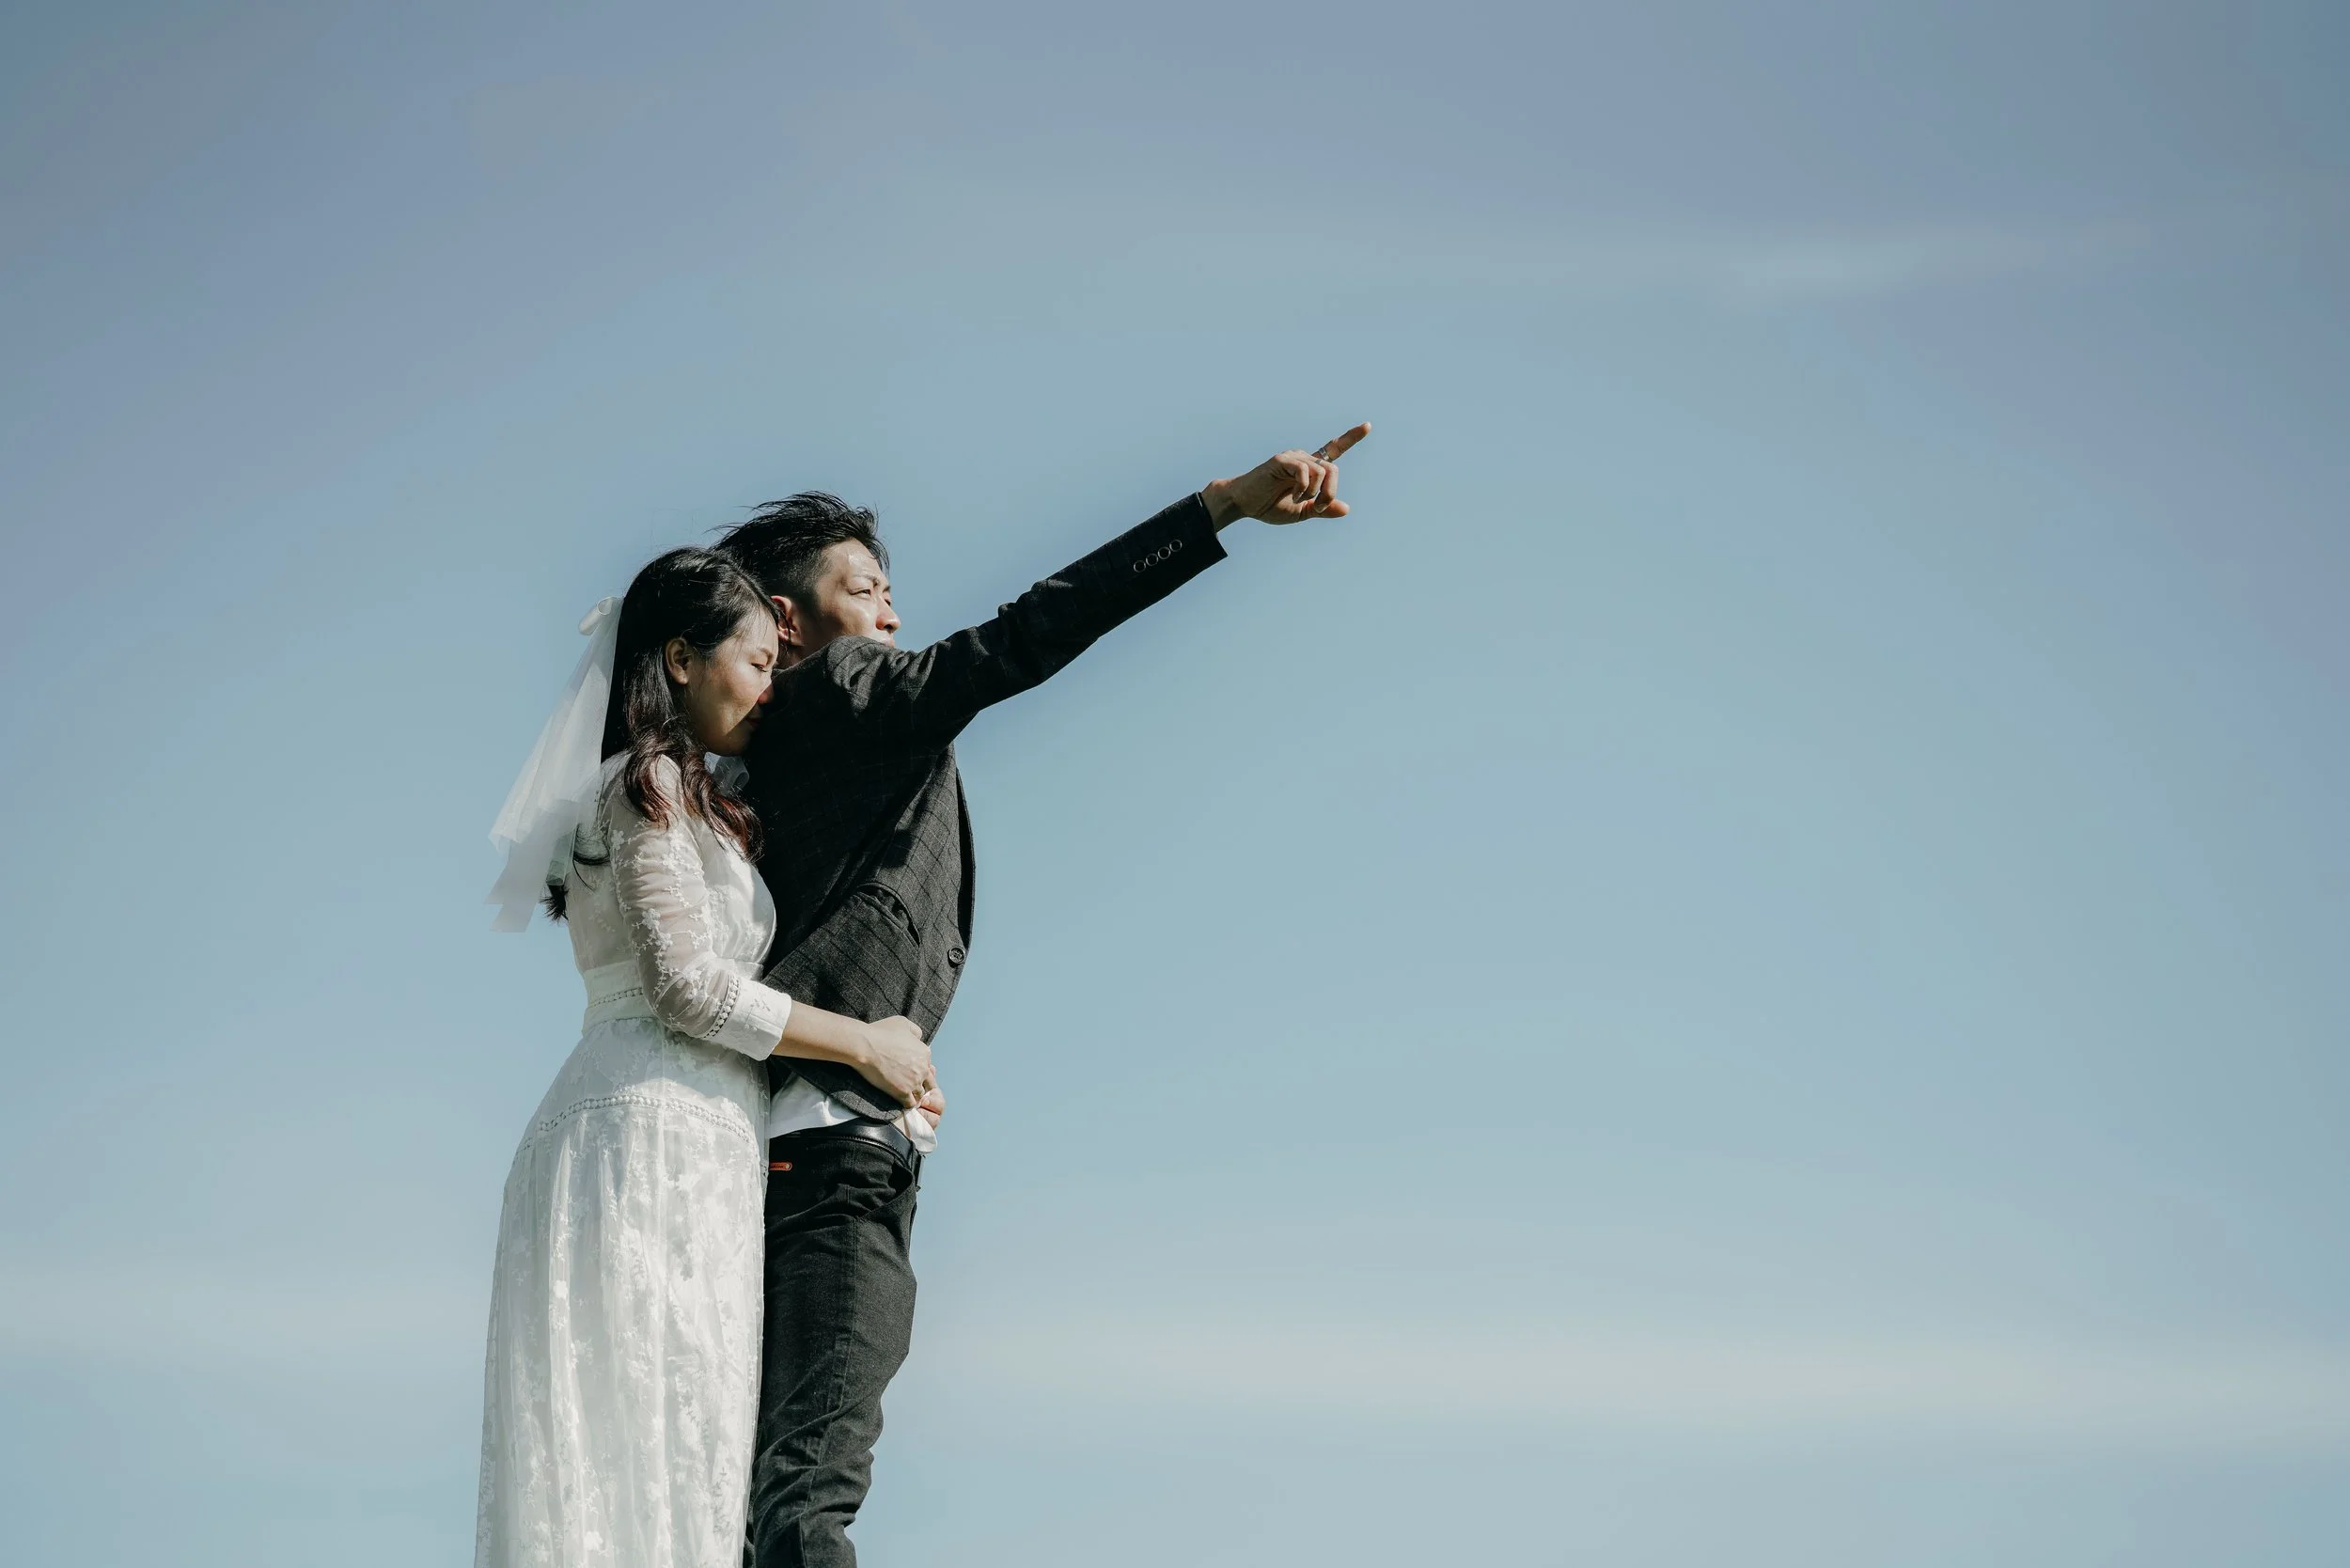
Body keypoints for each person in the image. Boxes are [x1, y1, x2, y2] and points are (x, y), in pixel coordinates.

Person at [714, 425, 1370, 1568]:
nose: (889, 618)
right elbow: (1020, 637)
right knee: (807, 1499)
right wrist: (1215, 511)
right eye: (862, 591)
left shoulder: (776, 751)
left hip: (808, 1138)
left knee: (762, 1495)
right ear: (787, 620)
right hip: (829, 1149)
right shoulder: (843, 692)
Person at [473, 548, 932, 1568]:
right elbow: (686, 987)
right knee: (638, 1434)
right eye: (760, 662)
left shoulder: (701, 799)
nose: (773, 688)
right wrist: (865, 1046)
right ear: (679, 659)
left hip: (705, 1140)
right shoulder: (643, 788)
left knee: (692, 1449)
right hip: (645, 1134)